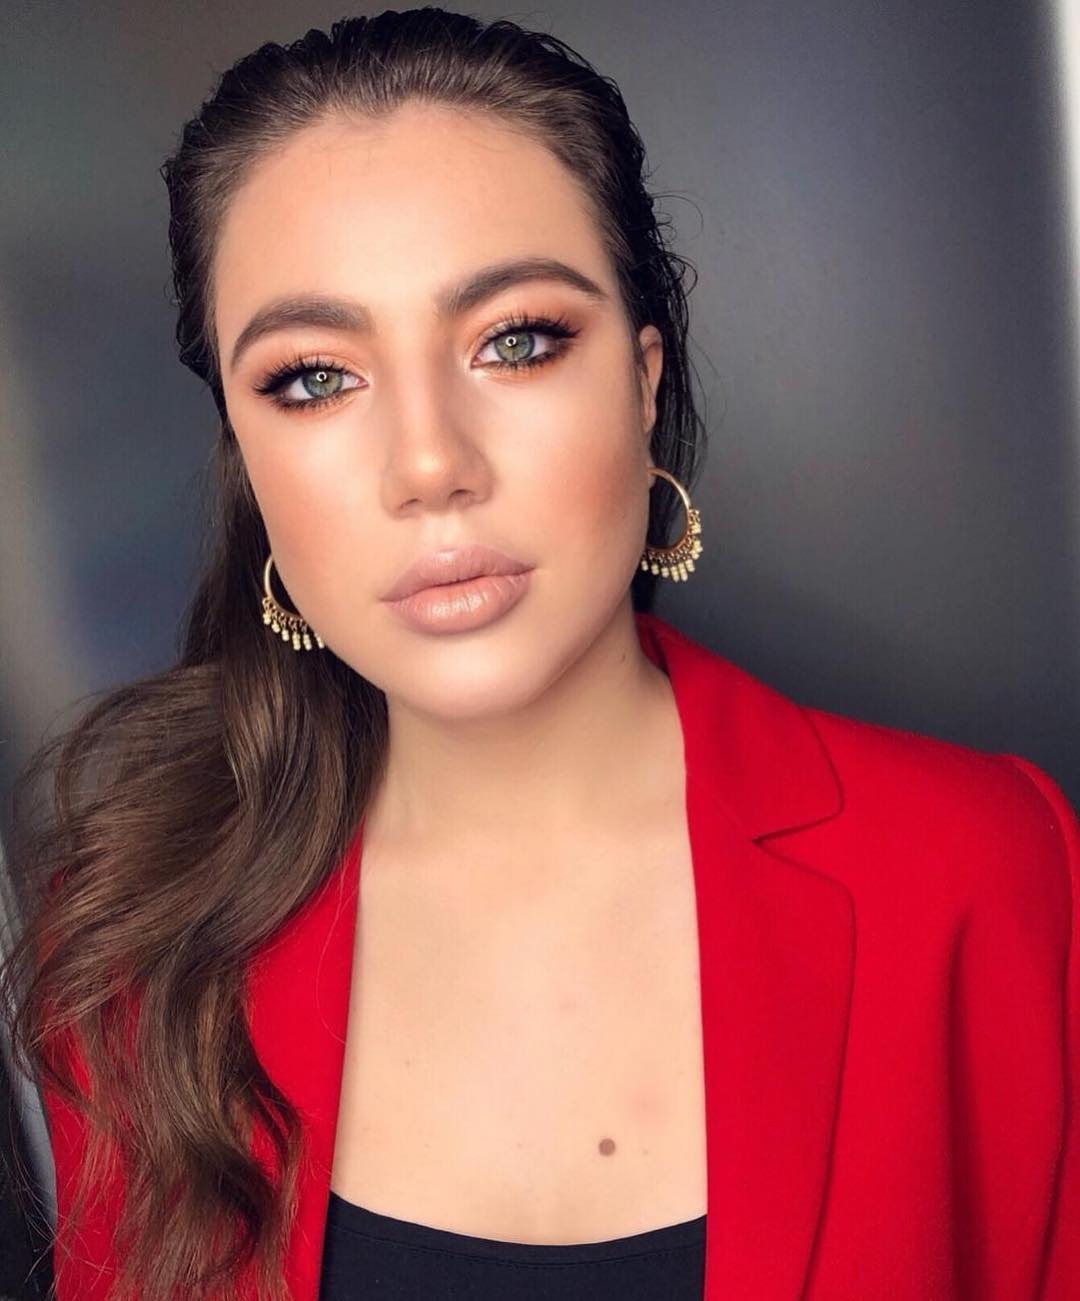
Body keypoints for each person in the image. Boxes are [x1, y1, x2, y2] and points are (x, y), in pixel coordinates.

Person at [1, 8, 1076, 1300]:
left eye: (515, 340)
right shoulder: (137, 945)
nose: (429, 464)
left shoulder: (978, 871)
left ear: (642, 379)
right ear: (246, 458)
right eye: (313, 378)